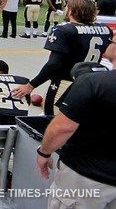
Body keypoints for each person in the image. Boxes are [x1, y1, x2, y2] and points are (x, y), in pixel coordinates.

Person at [36, 44, 116, 208]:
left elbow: (62, 127)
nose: (108, 44)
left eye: (112, 41)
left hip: (87, 175)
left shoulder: (92, 82)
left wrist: (43, 152)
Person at [12, 0, 113, 115]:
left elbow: (54, 64)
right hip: (95, 82)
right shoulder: (105, 29)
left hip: (67, 83)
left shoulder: (63, 29)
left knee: (53, 119)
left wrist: (31, 85)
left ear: (71, 11)